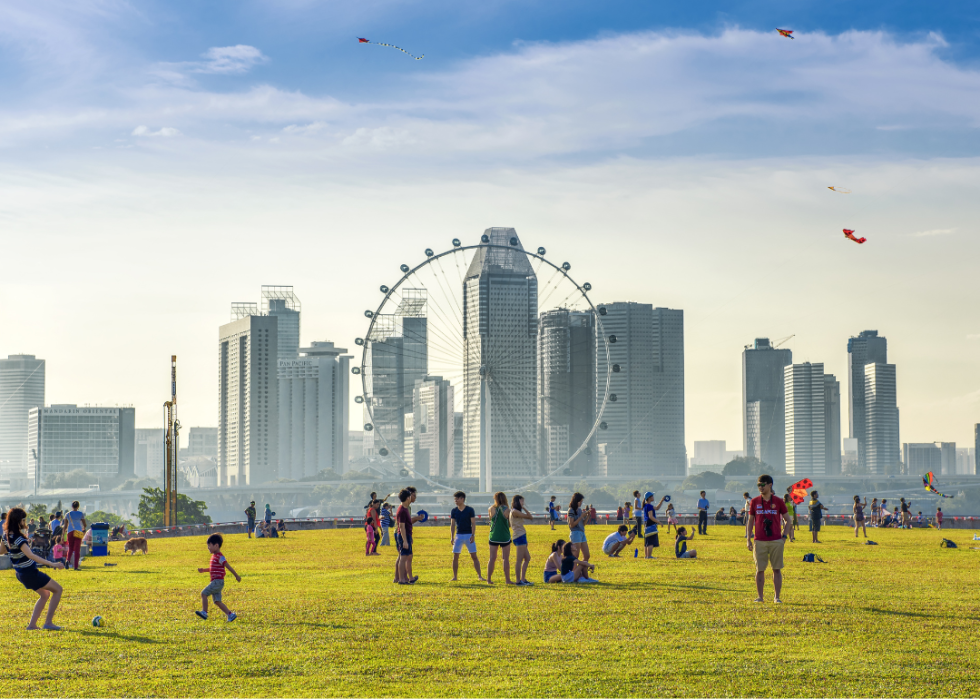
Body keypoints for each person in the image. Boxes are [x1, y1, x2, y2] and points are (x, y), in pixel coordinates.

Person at [0, 507, 65, 630]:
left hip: (20, 573)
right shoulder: (19, 538)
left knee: (45, 594)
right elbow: (31, 556)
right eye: (24, 520)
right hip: (30, 573)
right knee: (58, 590)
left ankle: (32, 625)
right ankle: (48, 623)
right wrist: (53, 564)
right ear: (19, 521)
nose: (25, 522)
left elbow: (2, 550)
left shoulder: (6, 535)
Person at [746, 474, 791, 603]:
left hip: (776, 540)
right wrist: (748, 539)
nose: (760, 487)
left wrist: (784, 537)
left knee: (776, 569)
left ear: (770, 485)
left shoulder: (778, 501)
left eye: (762, 484)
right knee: (759, 569)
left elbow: (788, 520)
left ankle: (777, 597)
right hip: (759, 540)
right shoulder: (754, 501)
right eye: (758, 485)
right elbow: (750, 521)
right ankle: (760, 597)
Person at [195, 533, 240, 622]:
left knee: (204, 593)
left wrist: (236, 575)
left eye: (209, 545)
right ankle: (230, 615)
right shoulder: (214, 557)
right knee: (217, 601)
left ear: (216, 545)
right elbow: (213, 569)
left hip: (217, 582)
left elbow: (227, 566)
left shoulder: (220, 557)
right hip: (217, 582)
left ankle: (204, 612)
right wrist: (204, 570)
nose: (208, 548)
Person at [449, 491, 483, 582]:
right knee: (455, 556)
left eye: (457, 499)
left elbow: (473, 523)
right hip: (458, 536)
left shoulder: (470, 510)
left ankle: (480, 576)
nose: (455, 501)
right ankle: (455, 577)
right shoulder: (454, 511)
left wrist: (473, 535)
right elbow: (452, 525)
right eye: (455, 499)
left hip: (468, 535)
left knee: (474, 556)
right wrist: (452, 537)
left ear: (462, 499)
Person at [394, 489, 420, 585]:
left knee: (406, 556)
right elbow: (401, 526)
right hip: (403, 536)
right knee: (403, 557)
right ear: (408, 498)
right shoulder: (402, 510)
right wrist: (405, 540)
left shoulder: (405, 509)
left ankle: (405, 578)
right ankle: (401, 579)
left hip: (407, 535)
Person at [487, 491, 512, 585]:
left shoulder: (491, 509)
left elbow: (491, 520)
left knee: (492, 558)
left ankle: (489, 579)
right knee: (505, 558)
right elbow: (509, 524)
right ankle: (507, 580)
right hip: (505, 536)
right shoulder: (508, 510)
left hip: (494, 536)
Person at [510, 494, 534, 586]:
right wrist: (524, 508)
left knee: (527, 558)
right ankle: (518, 581)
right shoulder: (515, 511)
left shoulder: (516, 511)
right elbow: (529, 517)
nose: (523, 503)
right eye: (521, 501)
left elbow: (530, 516)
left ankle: (523, 579)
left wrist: (523, 507)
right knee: (519, 560)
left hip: (522, 536)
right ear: (517, 501)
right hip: (519, 536)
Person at [63, 501, 86, 571]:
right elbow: (84, 524)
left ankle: (67, 560)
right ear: (78, 506)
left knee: (70, 548)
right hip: (78, 531)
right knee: (77, 550)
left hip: (70, 531)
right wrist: (83, 529)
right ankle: (76, 566)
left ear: (72, 506)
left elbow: (65, 526)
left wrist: (63, 534)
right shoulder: (81, 514)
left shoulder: (67, 514)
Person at [567, 492, 590, 562]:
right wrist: (581, 517)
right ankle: (574, 571)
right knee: (575, 556)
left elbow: (582, 524)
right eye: (580, 501)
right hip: (575, 533)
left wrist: (588, 516)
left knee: (587, 555)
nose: (581, 503)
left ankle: (581, 570)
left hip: (582, 532)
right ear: (576, 501)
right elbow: (572, 524)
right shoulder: (571, 510)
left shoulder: (579, 510)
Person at [642, 491, 662, 558]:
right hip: (650, 524)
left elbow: (657, 508)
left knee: (647, 541)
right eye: (652, 496)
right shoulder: (649, 506)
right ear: (649, 498)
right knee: (651, 541)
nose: (653, 497)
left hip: (646, 524)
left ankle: (646, 555)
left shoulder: (646, 505)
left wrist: (662, 500)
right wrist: (659, 522)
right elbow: (651, 516)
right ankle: (649, 556)